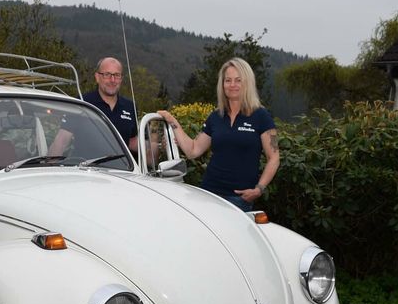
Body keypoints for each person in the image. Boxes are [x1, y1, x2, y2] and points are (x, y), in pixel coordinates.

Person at [158, 57, 279, 212]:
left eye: (238, 80)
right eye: (228, 80)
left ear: (247, 83)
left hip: (239, 199)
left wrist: (259, 189)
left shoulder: (261, 116)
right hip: (209, 193)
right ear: (222, 84)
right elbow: (193, 150)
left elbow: (274, 157)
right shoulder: (216, 117)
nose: (232, 85)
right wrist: (172, 121)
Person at [48, 57, 139, 159]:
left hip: (121, 172)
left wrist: (155, 144)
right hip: (87, 171)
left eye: (117, 75)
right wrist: (47, 169)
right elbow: (62, 140)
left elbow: (132, 142)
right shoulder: (82, 103)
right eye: (107, 74)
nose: (112, 80)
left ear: (121, 78)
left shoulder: (129, 106)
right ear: (97, 77)